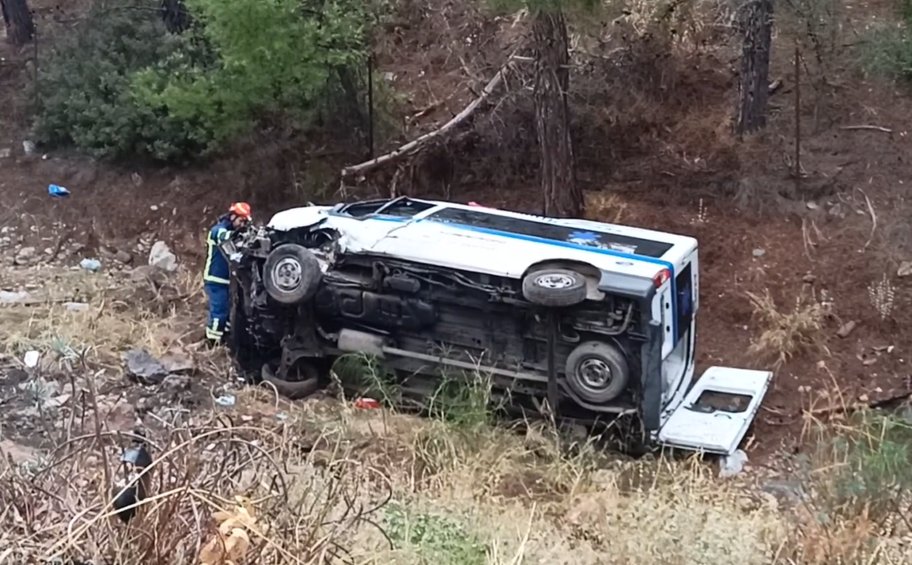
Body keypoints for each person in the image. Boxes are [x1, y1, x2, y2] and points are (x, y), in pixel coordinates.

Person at [204, 202, 252, 345]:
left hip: (228, 281)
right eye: (241, 220)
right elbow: (226, 237)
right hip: (216, 279)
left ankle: (224, 339)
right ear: (232, 216)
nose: (242, 225)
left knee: (229, 313)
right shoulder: (218, 230)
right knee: (219, 312)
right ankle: (211, 343)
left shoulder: (229, 230)